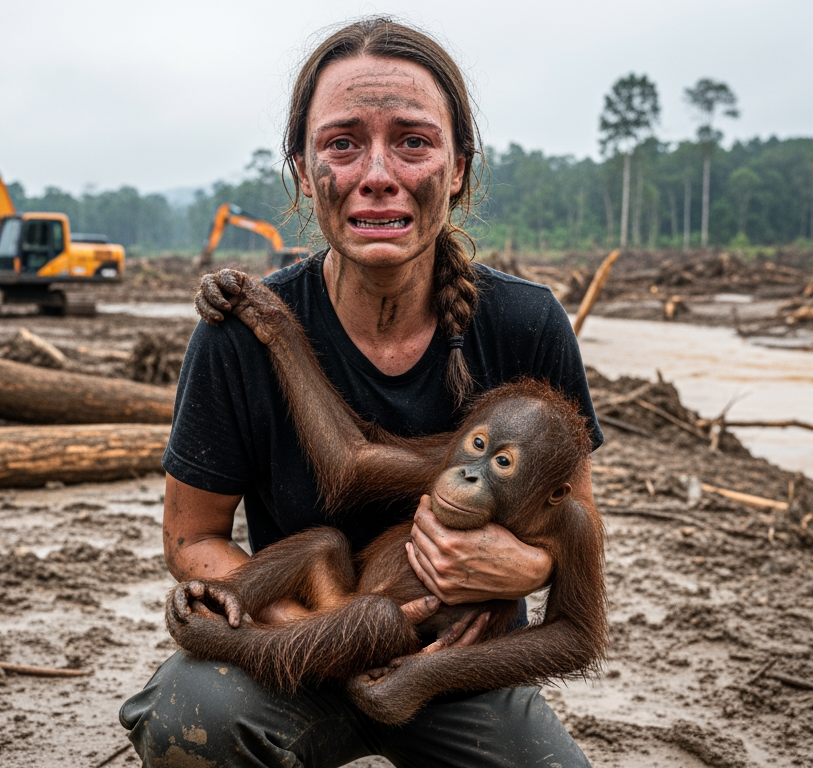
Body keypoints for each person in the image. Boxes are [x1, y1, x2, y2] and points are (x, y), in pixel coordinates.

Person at [119, 17, 603, 767]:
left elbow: (572, 537)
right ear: (305, 173)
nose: (378, 172)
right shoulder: (237, 330)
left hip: (457, 677)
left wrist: (528, 569)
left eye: (413, 140)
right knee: (192, 716)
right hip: (303, 641)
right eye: (343, 142)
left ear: (460, 168)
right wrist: (307, 633)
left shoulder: (524, 324)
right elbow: (190, 539)